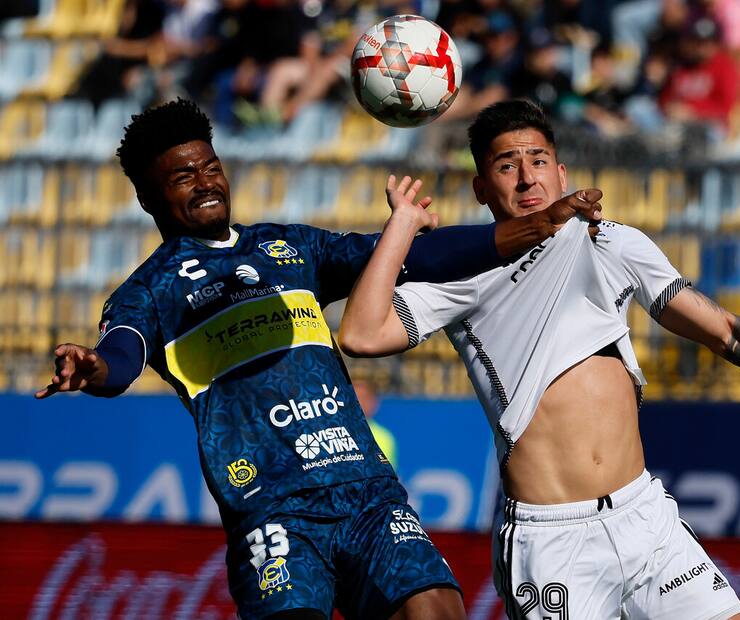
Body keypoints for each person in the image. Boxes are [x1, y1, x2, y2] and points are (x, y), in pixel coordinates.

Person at [337, 99, 740, 619]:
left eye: (538, 160)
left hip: (644, 516)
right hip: (550, 538)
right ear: (481, 188)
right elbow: (361, 335)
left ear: (562, 172)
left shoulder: (612, 242)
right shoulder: (463, 270)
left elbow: (724, 331)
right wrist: (402, 228)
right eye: (507, 166)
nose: (527, 177)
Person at [33, 98, 603, 620]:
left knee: (437, 609)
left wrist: (536, 225)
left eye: (211, 168)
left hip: (366, 489)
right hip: (271, 507)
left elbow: (419, 256)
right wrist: (95, 367)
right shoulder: (149, 290)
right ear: (147, 197)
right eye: (183, 177)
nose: (205, 184)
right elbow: (121, 355)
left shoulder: (292, 247)